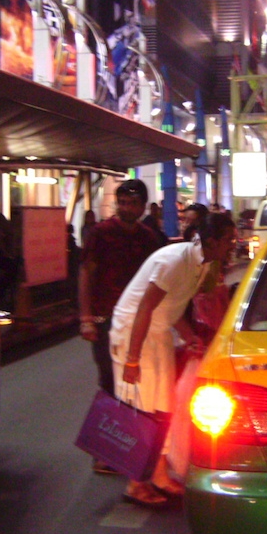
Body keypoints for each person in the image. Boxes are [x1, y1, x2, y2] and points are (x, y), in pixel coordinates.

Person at [110, 212, 237, 508]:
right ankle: (135, 484)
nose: (234, 244)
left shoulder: (203, 265)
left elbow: (173, 306)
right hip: (133, 333)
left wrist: (188, 335)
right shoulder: (174, 260)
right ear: (212, 241)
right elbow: (144, 307)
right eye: (229, 239)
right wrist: (131, 359)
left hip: (157, 332)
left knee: (163, 405)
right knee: (142, 409)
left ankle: (159, 475)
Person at [78, 179, 161, 474]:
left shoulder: (150, 238)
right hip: (105, 319)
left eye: (132, 203)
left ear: (142, 206)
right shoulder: (101, 234)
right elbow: (86, 273)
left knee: (135, 383)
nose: (127, 208)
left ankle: (128, 447)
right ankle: (104, 451)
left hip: (138, 321)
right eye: (122, 203)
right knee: (109, 383)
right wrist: (86, 317)